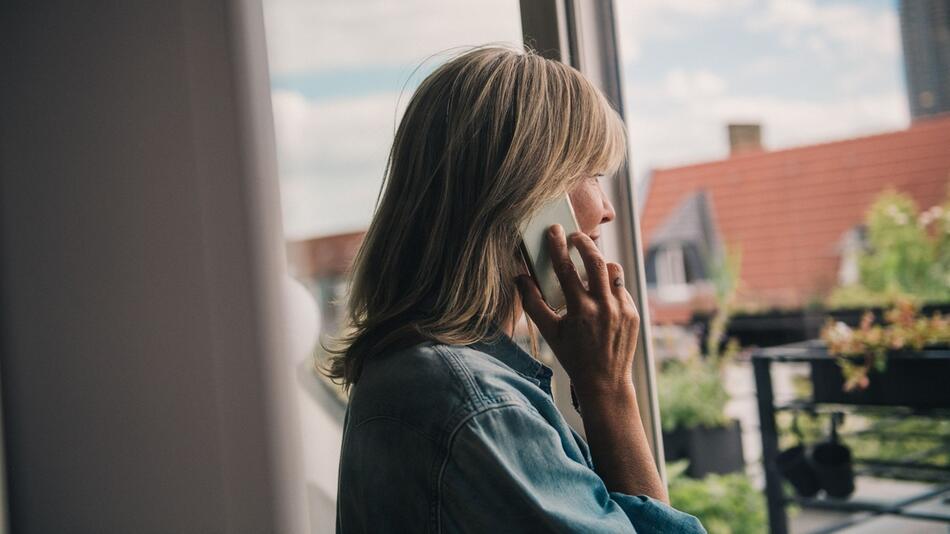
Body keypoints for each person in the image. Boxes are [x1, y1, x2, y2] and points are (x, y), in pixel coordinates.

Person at [325, 44, 706, 533]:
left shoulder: (415, 370)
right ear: (529, 193)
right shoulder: (476, 402)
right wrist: (609, 388)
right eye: (592, 174)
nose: (607, 209)